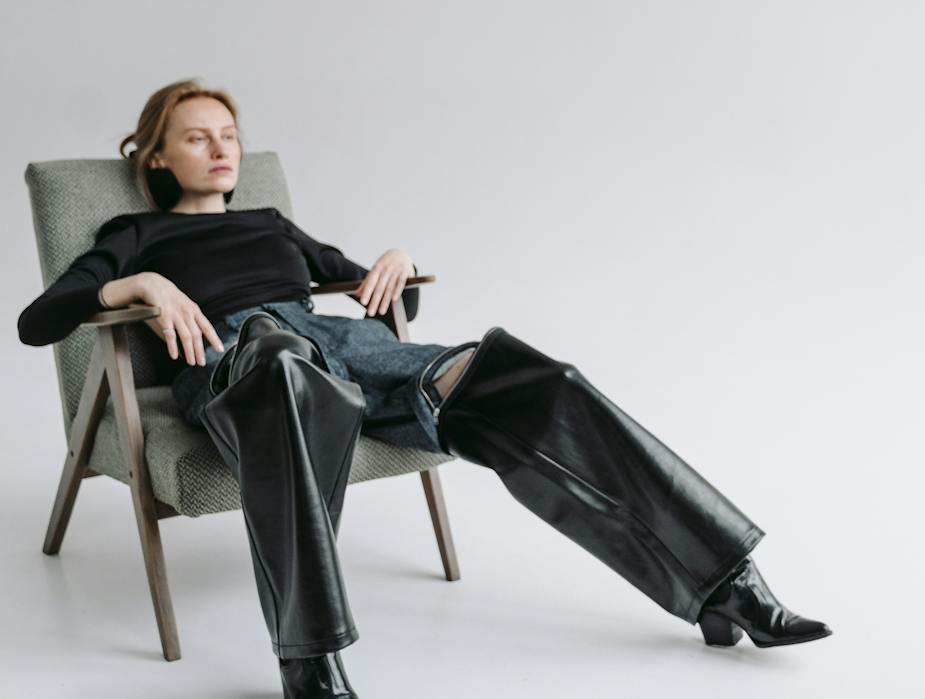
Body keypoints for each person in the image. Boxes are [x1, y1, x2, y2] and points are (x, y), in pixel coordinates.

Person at [18, 79, 830, 699]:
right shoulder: (134, 234)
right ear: (156, 156)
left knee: (536, 381)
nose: (221, 147)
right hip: (248, 361)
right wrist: (143, 286)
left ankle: (724, 584)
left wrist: (395, 261)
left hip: (354, 351)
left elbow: (383, 298)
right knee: (284, 360)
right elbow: (41, 317)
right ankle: (311, 655)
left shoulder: (272, 225)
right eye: (196, 136)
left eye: (229, 134)